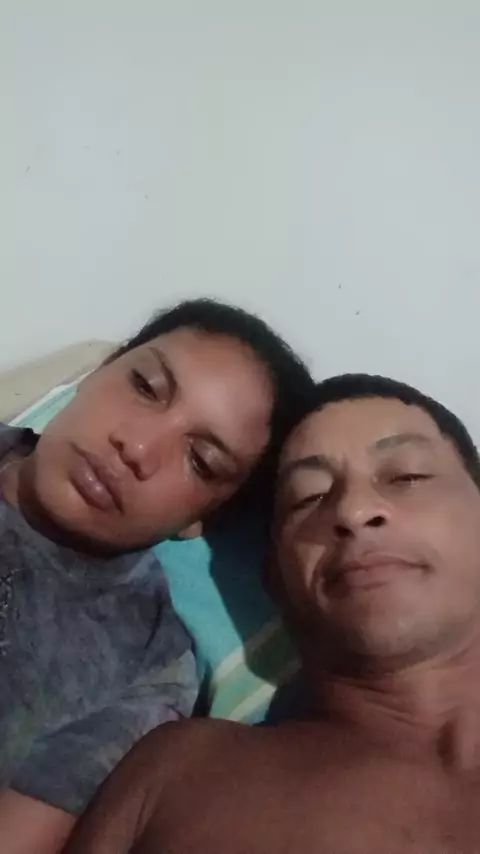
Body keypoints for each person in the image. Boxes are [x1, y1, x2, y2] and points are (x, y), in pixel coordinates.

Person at [66, 373, 480, 854]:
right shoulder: (183, 777)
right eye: (309, 497)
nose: (353, 510)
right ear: (276, 579)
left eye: (406, 476)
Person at [0, 298, 314, 854]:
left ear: (201, 520)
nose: (137, 448)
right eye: (145, 387)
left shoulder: (148, 670)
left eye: (201, 461)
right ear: (98, 372)